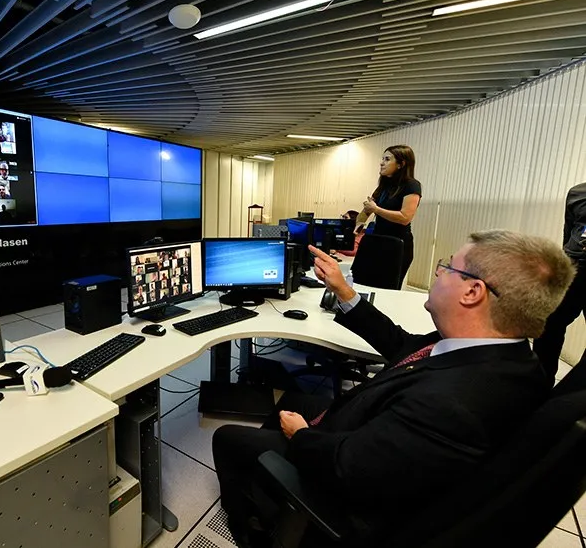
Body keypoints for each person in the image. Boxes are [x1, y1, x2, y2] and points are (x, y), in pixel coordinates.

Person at [212, 230, 575, 548]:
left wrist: (302, 436)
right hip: (371, 429)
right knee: (290, 399)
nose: (438, 272)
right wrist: (344, 292)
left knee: (229, 439)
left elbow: (347, 468)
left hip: (343, 468)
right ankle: (268, 478)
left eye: (449, 267)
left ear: (472, 291)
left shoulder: (450, 405)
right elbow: (406, 348)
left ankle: (255, 528)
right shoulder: (503, 357)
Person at [533, 181, 586, 383]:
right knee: (548, 323)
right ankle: (539, 383)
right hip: (574, 271)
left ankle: (574, 393)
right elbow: (568, 233)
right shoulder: (577, 193)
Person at [357, 145, 421, 286]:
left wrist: (377, 209)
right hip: (378, 241)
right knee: (361, 281)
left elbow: (405, 218)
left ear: (401, 164)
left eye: (387, 159)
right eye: (382, 159)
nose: (382, 163)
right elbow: (367, 210)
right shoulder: (384, 185)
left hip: (396, 246)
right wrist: (358, 225)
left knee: (386, 287)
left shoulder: (412, 185)